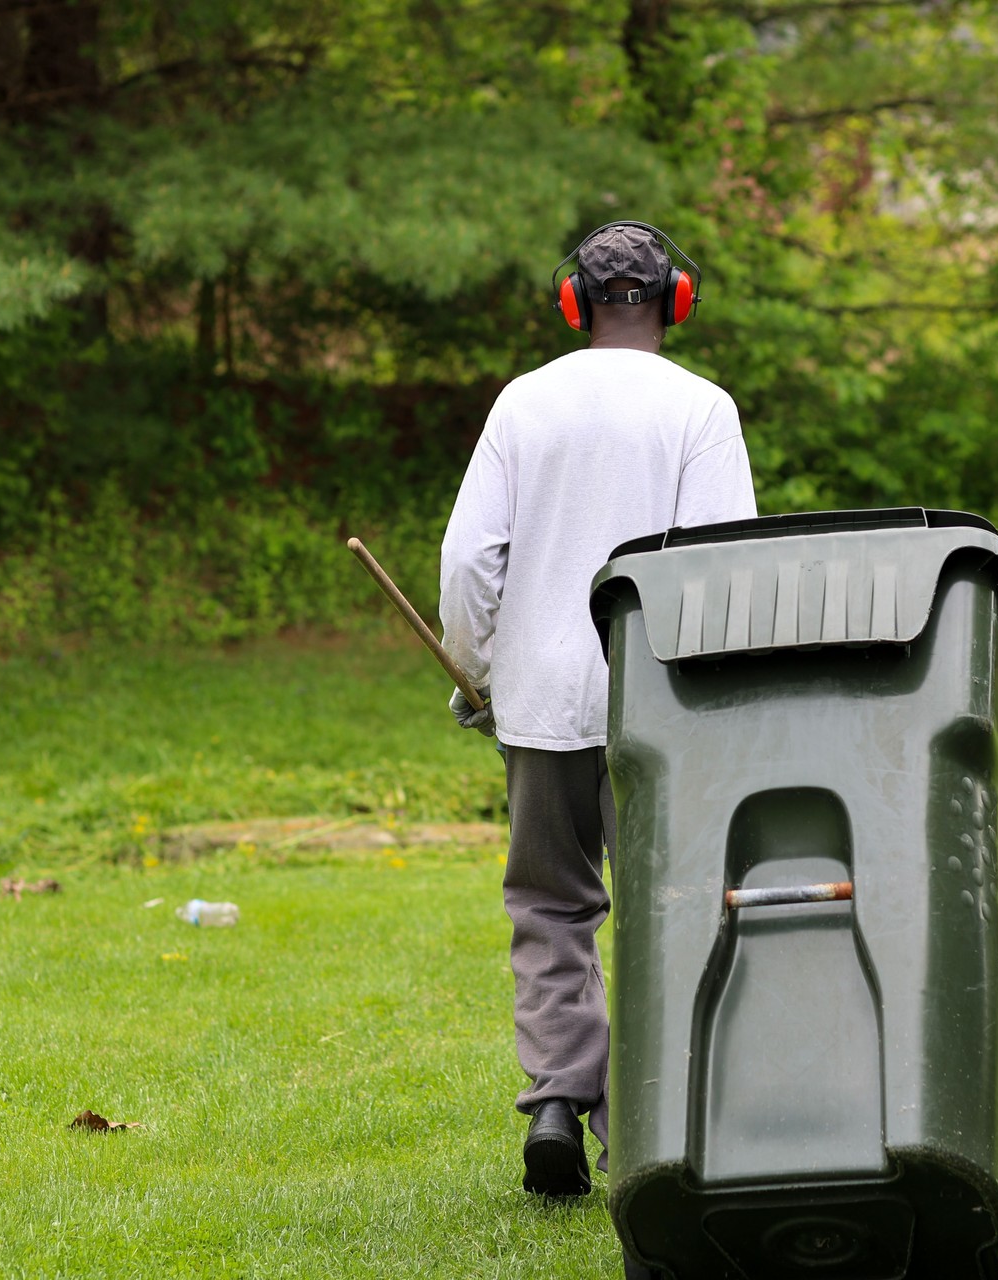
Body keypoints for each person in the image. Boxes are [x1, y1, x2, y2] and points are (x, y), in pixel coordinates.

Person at [438, 222, 756, 1198]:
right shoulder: (701, 408)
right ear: (678, 300)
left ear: (575, 302)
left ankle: (553, 1103)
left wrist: (477, 670)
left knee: (550, 905)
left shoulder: (523, 402)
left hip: (539, 704)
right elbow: (723, 569)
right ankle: (650, 1131)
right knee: (674, 907)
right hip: (663, 706)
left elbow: (467, 559)